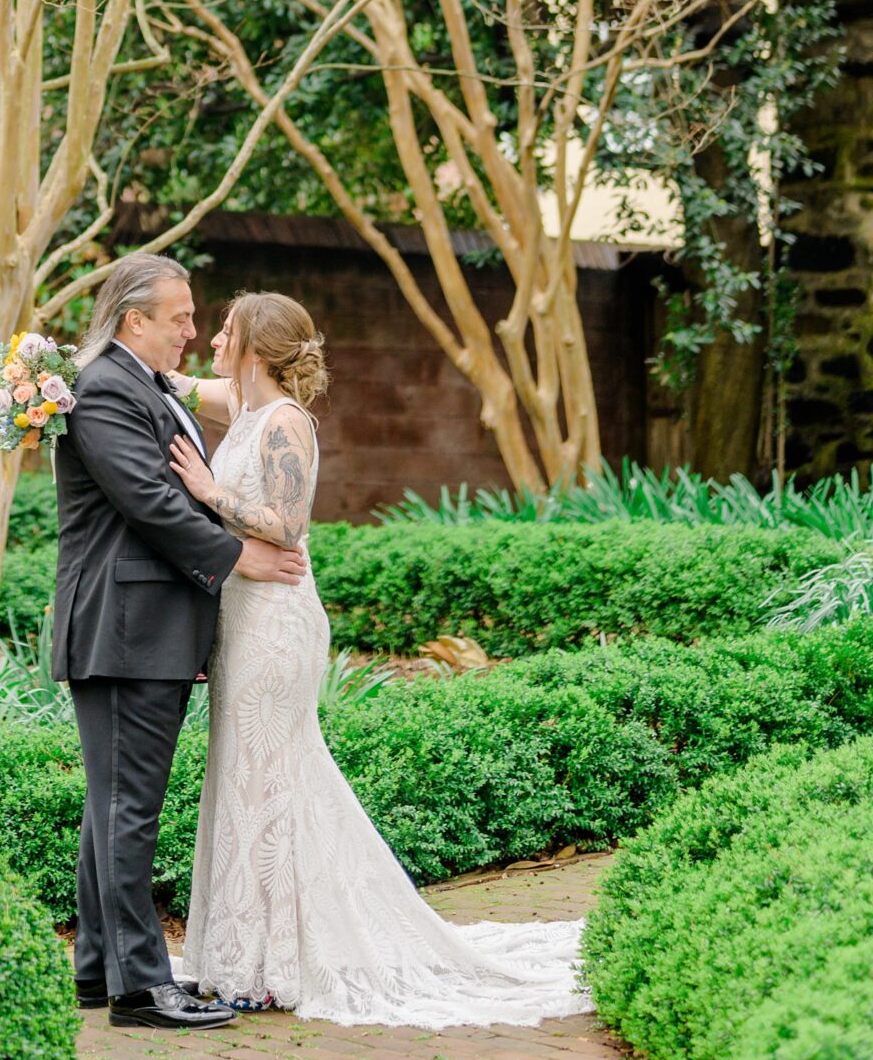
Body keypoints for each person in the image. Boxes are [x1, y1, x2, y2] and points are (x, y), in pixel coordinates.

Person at [165, 290, 592, 1029]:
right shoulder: (239, 406)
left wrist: (206, 491)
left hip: (275, 624)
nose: (208, 341)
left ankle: (273, 964)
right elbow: (160, 377)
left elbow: (288, 525)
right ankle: (251, 951)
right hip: (239, 621)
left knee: (267, 776)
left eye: (224, 331)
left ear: (255, 349)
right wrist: (51, 372)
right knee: (245, 774)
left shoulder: (284, 423)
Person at [53, 255, 309, 1031]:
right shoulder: (105, 390)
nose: (193, 332)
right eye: (180, 318)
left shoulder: (141, 382)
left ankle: (100, 970)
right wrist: (240, 557)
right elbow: (149, 502)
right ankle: (140, 988)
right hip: (128, 628)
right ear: (135, 321)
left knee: (112, 804)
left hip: (141, 628)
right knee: (129, 805)